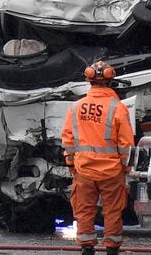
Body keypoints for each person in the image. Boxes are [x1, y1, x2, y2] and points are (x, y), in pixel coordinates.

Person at [61, 61, 134, 255]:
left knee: (84, 209)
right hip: (111, 171)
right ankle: (111, 248)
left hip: (84, 169)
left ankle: (87, 247)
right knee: (112, 210)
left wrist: (70, 162)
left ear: (88, 81)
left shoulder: (77, 107)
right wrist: (126, 169)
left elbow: (68, 138)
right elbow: (126, 143)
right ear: (111, 81)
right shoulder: (118, 108)